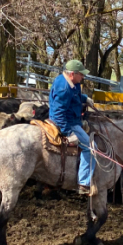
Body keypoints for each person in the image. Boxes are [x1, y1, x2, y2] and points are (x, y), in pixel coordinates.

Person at [49, 60, 96, 195]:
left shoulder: (71, 83)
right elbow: (58, 114)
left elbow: (75, 96)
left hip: (73, 119)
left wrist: (85, 98)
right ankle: (84, 182)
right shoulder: (64, 88)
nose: (83, 77)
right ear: (72, 74)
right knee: (90, 149)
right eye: (81, 75)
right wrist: (69, 133)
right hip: (68, 123)